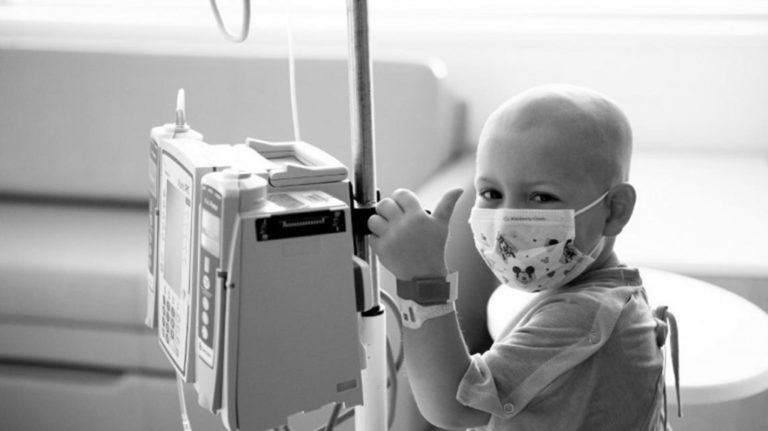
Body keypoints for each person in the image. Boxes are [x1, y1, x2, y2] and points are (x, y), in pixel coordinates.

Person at [368, 84, 668, 430]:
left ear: (614, 210)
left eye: (540, 197)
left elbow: (454, 406)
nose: (506, 222)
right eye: (491, 193)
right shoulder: (606, 295)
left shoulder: (584, 318)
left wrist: (422, 281)